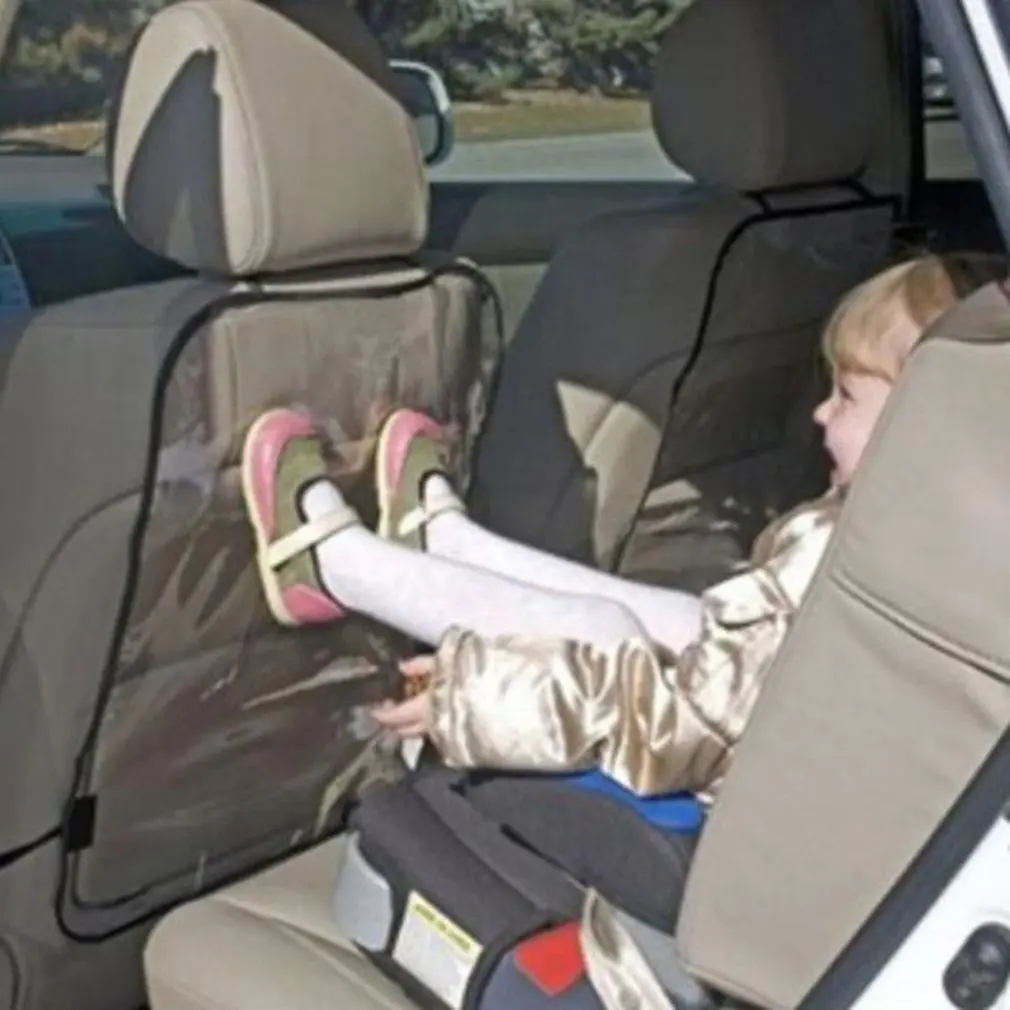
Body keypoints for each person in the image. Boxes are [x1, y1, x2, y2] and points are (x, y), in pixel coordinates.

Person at [239, 252, 1007, 803]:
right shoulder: (946, 551)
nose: (819, 413)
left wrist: (471, 697)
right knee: (687, 623)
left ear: (923, 426)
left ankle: (335, 565)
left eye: (846, 397)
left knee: (606, 636)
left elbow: (681, 728)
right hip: (785, 779)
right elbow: (745, 670)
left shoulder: (847, 556)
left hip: (709, 842)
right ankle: (448, 545)